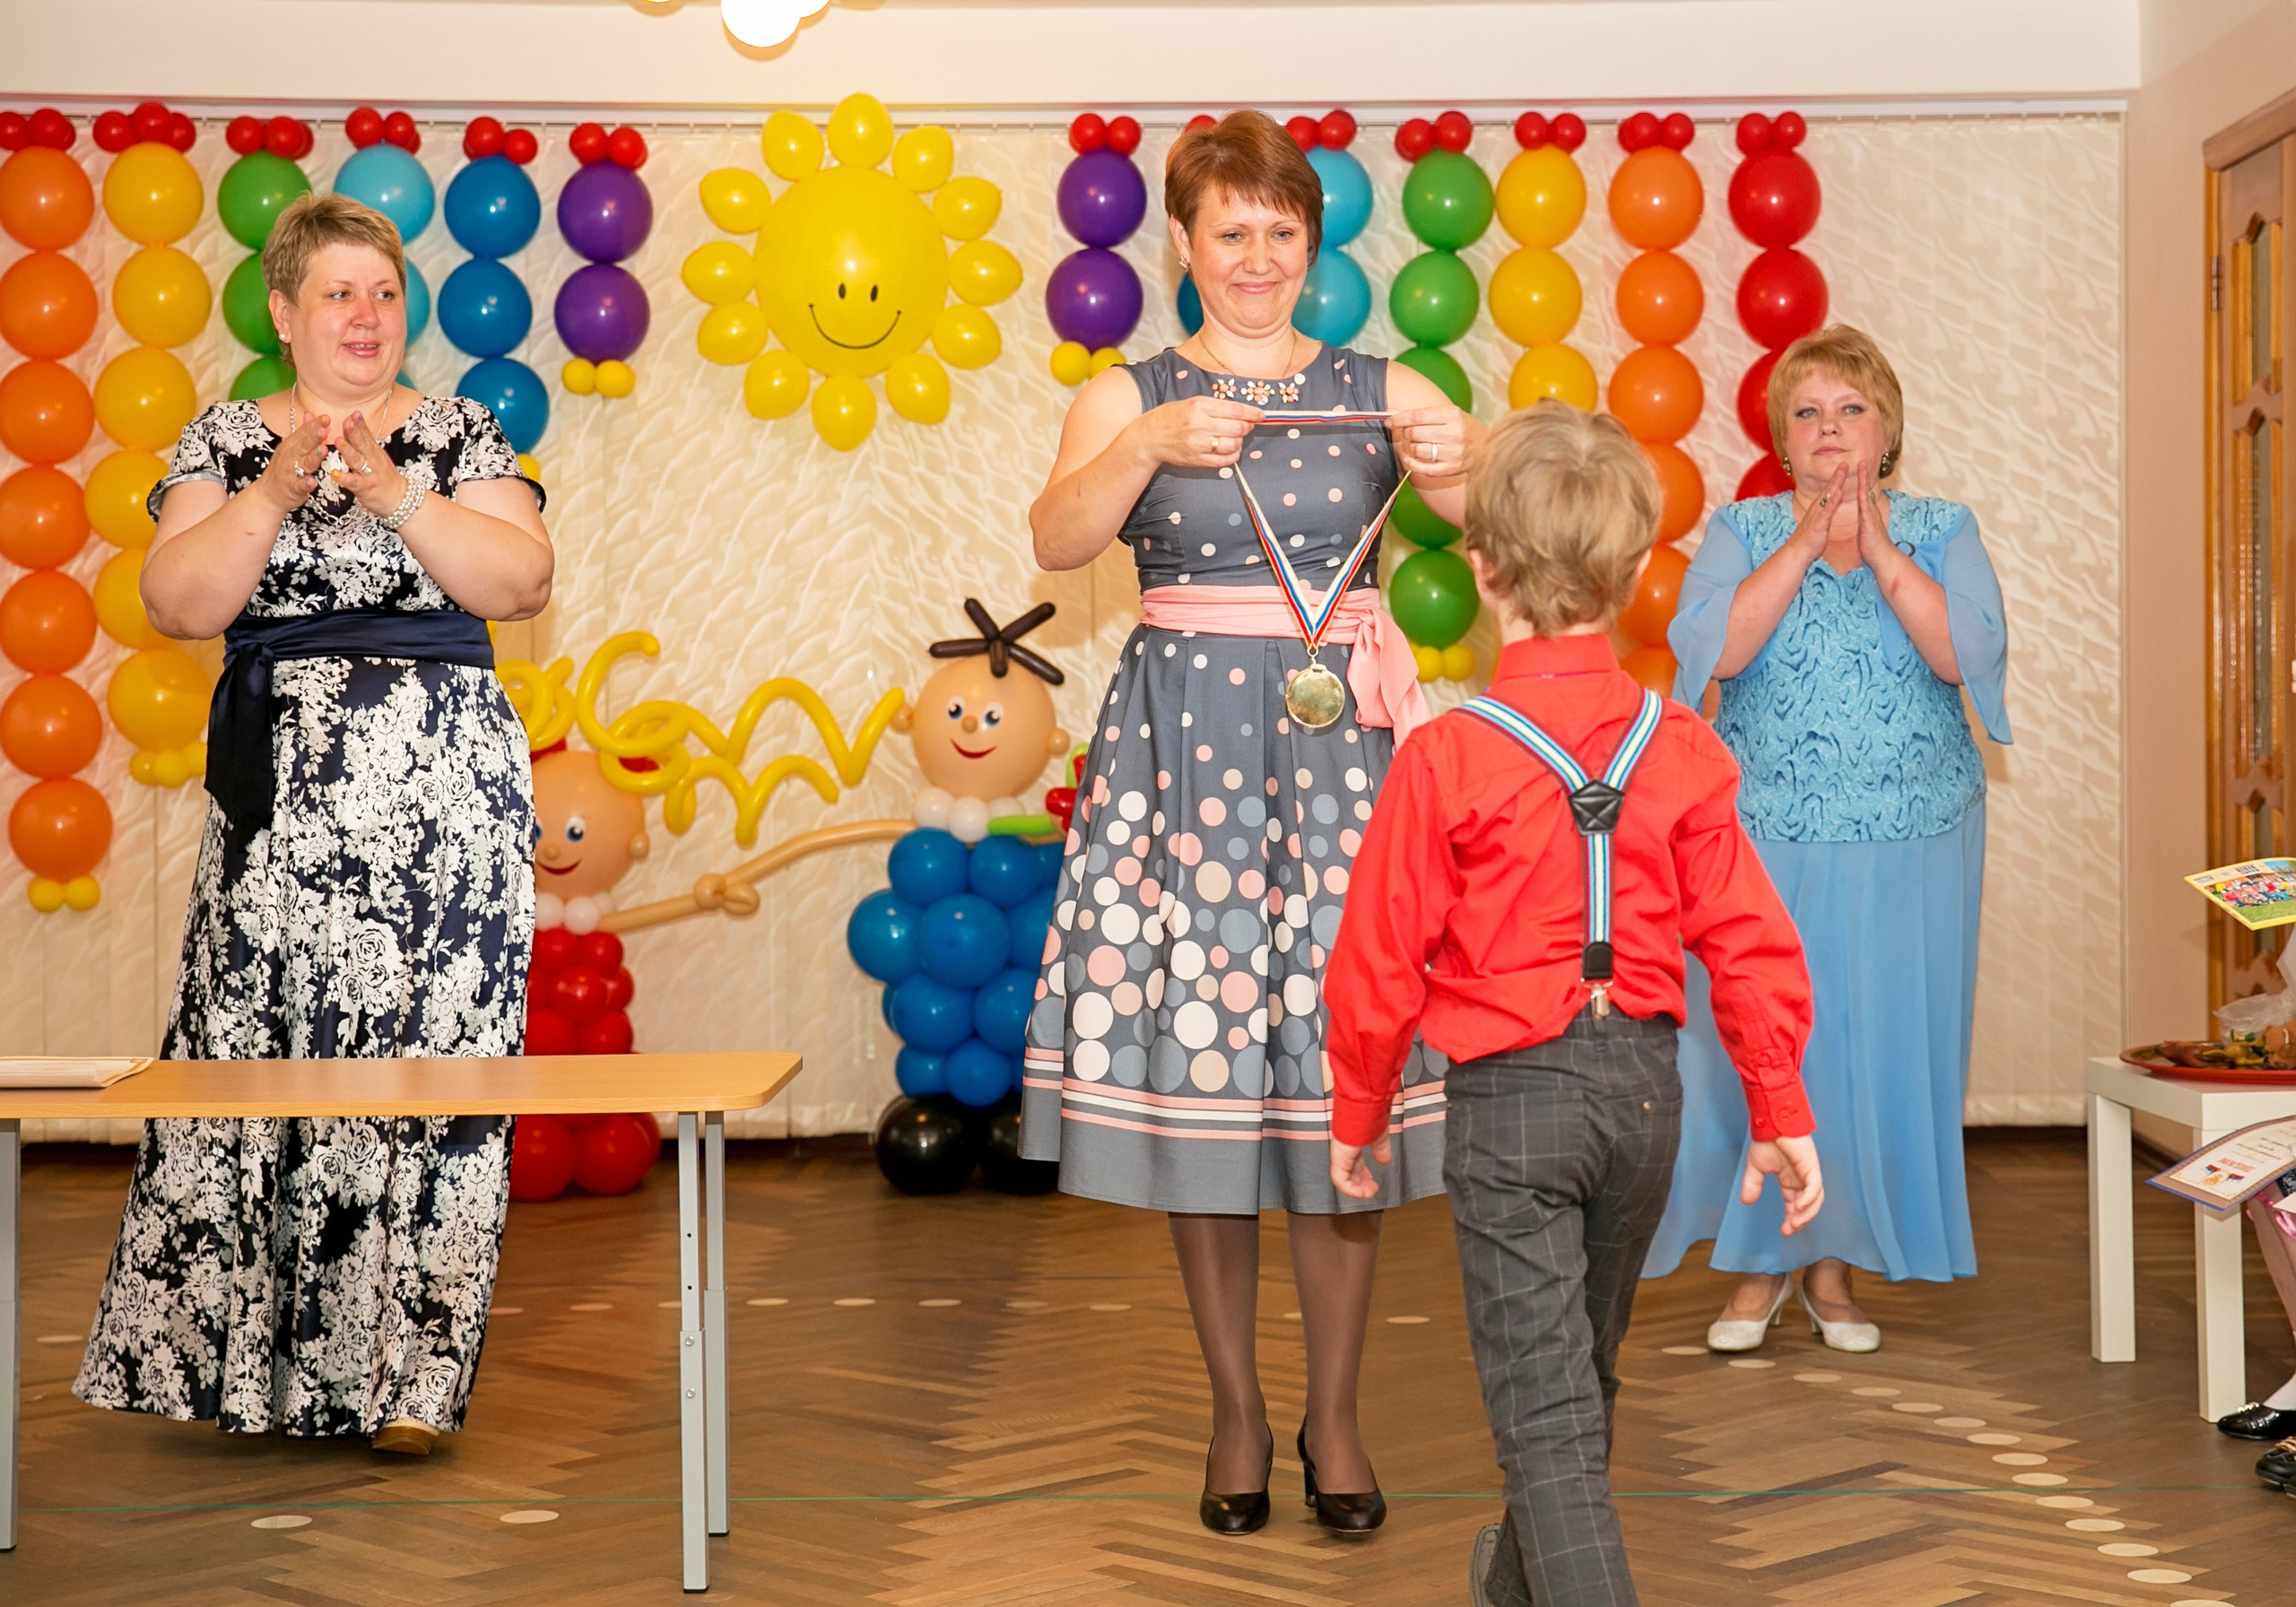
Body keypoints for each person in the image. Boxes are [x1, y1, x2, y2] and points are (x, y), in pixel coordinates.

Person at [1019, 109, 1482, 1534]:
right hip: (1183, 769)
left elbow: (1474, 518)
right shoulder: (1128, 392)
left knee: (1342, 1095)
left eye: (1284, 232)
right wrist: (1147, 443)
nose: (1259, 255)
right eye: (1233, 231)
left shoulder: (1381, 383)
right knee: (1210, 1092)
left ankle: (1333, 1418)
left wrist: (1458, 454)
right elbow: (1056, 541)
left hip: (1344, 778)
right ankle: (1232, 1412)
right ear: (1184, 243)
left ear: (1314, 244)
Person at [74, 193, 552, 1456]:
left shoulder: (459, 432)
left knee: (438, 1072)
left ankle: (409, 1382)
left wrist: (393, 493)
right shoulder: (225, 440)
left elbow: (522, 579)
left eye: (385, 294)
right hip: (281, 811)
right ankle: (268, 1373)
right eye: (339, 293)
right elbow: (179, 600)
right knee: (264, 1059)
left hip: (449, 814)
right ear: (286, 313)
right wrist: (279, 490)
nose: (366, 315)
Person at [1325, 402, 1823, 1607]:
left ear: (1484, 568)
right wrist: (1779, 1101)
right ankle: (1513, 1583)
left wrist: (1358, 1113)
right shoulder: (1685, 745)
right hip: (1643, 1106)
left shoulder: (1446, 756)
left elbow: (1378, 958)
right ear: (1640, 567)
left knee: (1546, 1421)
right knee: (1574, 1384)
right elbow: (1749, 941)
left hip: (1513, 1115)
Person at [1642, 325, 2011, 1351]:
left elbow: (1960, 655)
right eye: (1807, 413)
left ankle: (1835, 1271)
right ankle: (1756, 1269)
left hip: (1914, 839)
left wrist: (1879, 545)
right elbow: (1709, 647)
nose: (1830, 431)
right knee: (1759, 1044)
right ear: (1781, 437)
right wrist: (1806, 542)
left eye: (1851, 410)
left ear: (1886, 429)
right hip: (1763, 839)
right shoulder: (1742, 527)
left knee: (1871, 1045)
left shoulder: (1943, 528)